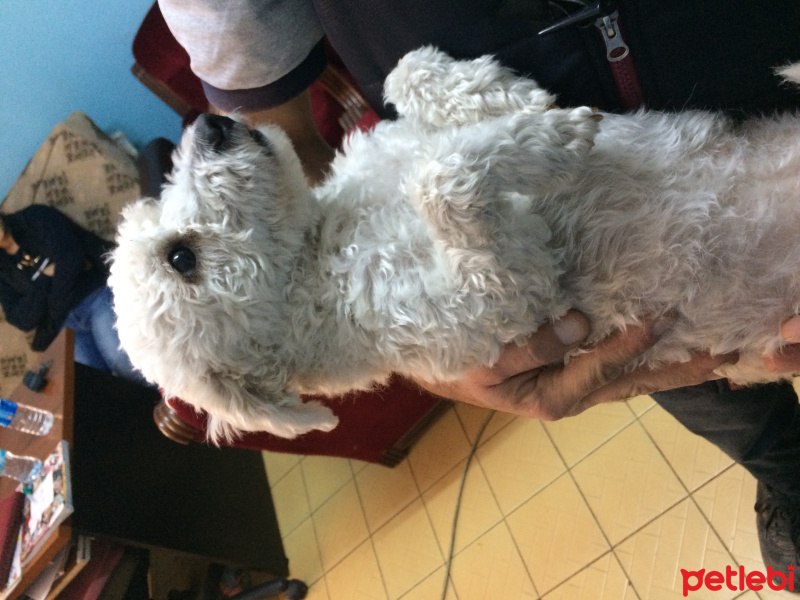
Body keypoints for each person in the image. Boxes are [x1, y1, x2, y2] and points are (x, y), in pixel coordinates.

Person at [157, 0, 800, 587]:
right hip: (643, 253)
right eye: (183, 254)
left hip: (738, 48)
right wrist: (423, 347)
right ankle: (785, 470)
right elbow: (279, 126)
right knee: (684, 358)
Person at [0, 205, 145, 384]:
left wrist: (48, 302)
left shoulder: (35, 218)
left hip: (92, 294)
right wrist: (45, 279)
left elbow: (71, 259)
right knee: (92, 385)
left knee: (121, 359)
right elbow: (20, 319)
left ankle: (175, 406)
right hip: (64, 324)